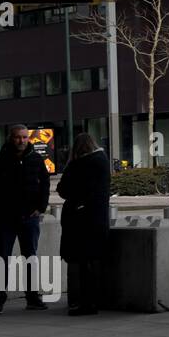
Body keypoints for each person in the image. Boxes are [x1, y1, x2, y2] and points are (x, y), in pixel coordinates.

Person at [0, 124, 50, 314]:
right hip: (5, 218)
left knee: (30, 259)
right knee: (2, 259)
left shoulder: (35, 159)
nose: (22, 141)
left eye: (25, 137)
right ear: (11, 138)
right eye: (18, 137)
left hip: (29, 217)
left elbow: (45, 184)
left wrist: (41, 208)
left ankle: (33, 298)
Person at [57, 133, 111, 316]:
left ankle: (81, 303)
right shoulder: (102, 161)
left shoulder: (78, 165)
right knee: (93, 261)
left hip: (79, 221)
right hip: (98, 220)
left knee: (78, 262)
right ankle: (94, 301)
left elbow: (62, 189)